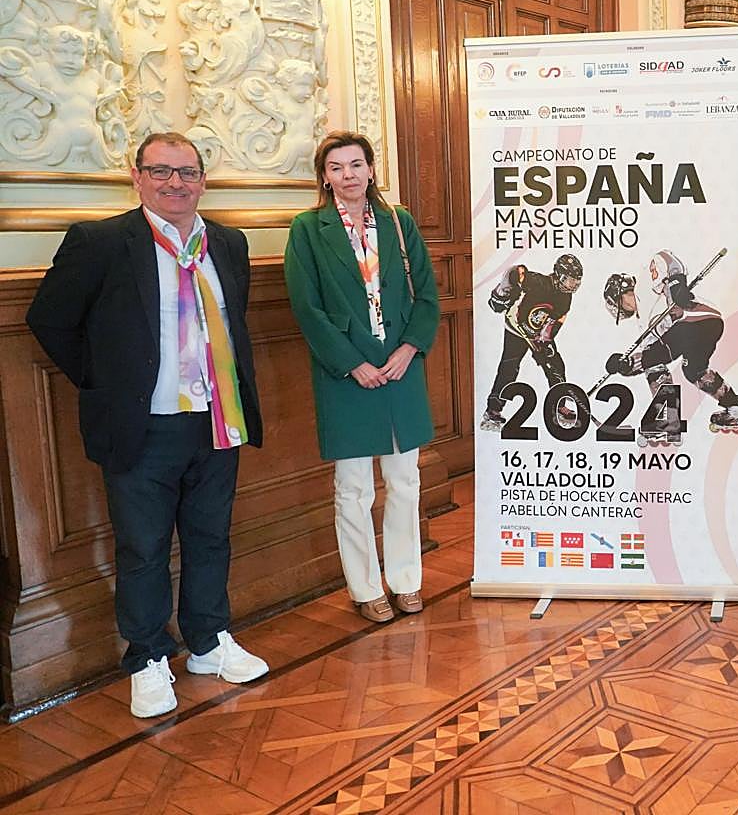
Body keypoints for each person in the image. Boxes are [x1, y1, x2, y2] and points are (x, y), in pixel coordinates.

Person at [25, 132, 268, 718]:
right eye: (161, 171)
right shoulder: (102, 242)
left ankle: (208, 641)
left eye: (187, 172)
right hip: (143, 426)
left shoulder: (228, 243)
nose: (174, 183)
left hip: (215, 420)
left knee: (211, 537)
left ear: (203, 180)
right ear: (137, 178)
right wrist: (107, 382)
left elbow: (232, 326)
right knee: (143, 548)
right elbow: (49, 320)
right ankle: (148, 657)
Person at [284, 131, 440, 624]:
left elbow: (427, 294)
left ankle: (405, 581)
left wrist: (409, 348)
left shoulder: (399, 222)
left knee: (405, 480)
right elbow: (307, 308)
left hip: (401, 368)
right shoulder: (308, 229)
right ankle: (365, 586)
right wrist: (353, 363)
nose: (348, 175)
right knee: (353, 488)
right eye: (337, 167)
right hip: (346, 374)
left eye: (356, 164)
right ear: (324, 177)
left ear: (372, 170)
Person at [601, 249, 738, 443]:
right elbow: (650, 359)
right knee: (693, 371)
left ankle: (668, 420)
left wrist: (676, 284)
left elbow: (665, 258)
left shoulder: (644, 286)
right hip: (706, 328)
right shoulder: (643, 324)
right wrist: (624, 365)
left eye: (620, 303)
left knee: (654, 357)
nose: (623, 309)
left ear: (621, 294)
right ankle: (736, 408)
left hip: (694, 321)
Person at [480, 253, 582, 430]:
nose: (571, 286)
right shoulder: (539, 282)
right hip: (516, 328)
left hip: (536, 333)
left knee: (556, 366)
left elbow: (556, 320)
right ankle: (492, 413)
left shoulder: (565, 298)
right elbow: (515, 272)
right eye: (569, 280)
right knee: (509, 368)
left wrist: (544, 342)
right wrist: (502, 295)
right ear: (558, 274)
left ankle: (559, 407)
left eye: (575, 282)